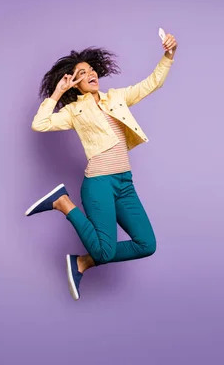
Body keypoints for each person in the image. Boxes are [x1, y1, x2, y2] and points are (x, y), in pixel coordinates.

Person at [25, 31, 178, 300]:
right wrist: (58, 92)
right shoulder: (74, 111)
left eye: (91, 69)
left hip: (124, 183)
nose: (91, 73)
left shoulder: (117, 97)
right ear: (75, 84)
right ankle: (63, 203)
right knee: (105, 251)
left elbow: (152, 83)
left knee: (147, 244)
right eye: (82, 73)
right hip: (99, 184)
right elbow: (40, 124)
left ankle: (82, 263)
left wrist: (168, 55)